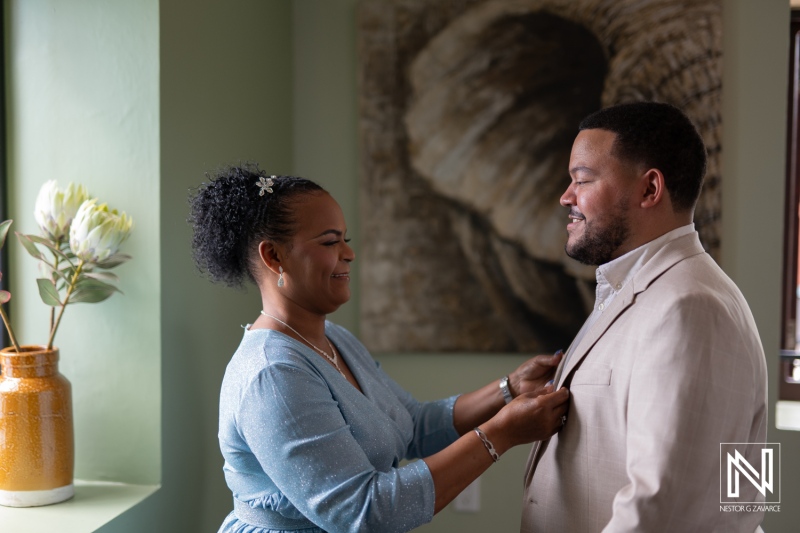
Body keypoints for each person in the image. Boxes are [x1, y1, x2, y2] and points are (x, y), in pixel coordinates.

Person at [188, 164, 570, 533]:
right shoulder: (273, 374)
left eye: (346, 239)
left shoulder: (334, 339)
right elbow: (365, 512)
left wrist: (509, 389)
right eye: (330, 242)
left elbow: (415, 425)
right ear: (274, 257)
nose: (349, 253)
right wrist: (500, 434)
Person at [520, 102, 768, 532]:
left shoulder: (690, 307)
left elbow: (662, 509)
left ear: (649, 189)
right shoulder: (640, 291)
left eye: (582, 179)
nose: (566, 196)